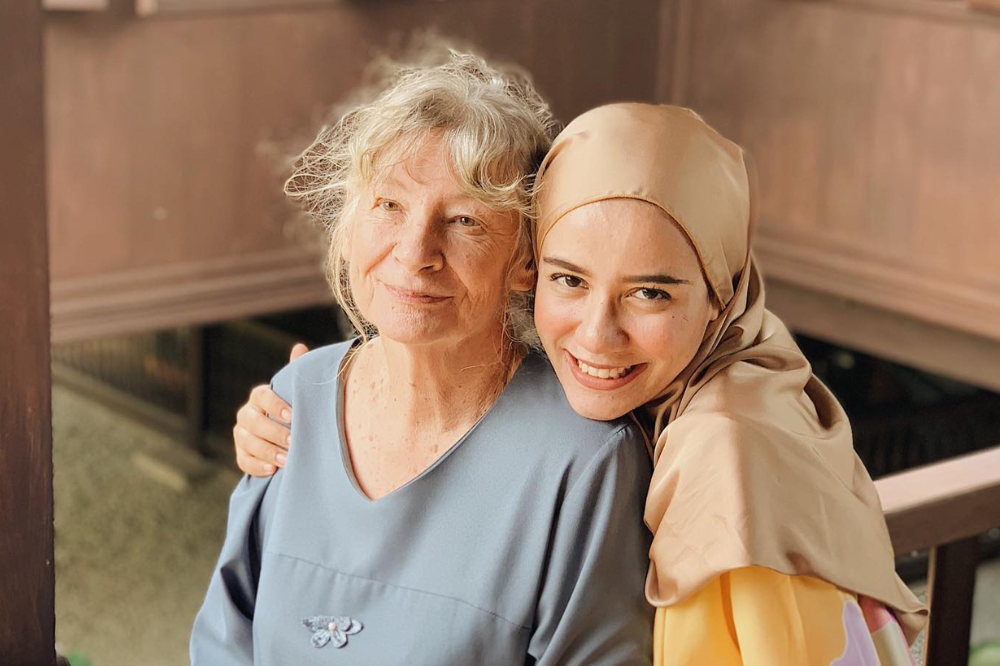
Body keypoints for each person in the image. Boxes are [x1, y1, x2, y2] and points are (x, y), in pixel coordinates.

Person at [235, 102, 929, 663]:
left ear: (721, 295)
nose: (597, 335)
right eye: (571, 278)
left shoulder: (726, 457)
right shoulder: (305, 395)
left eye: (650, 293)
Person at [191, 54, 655, 666]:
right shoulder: (293, 396)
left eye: (463, 220)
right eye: (389, 205)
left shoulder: (585, 461)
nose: (415, 252)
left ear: (526, 261)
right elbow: (224, 638)